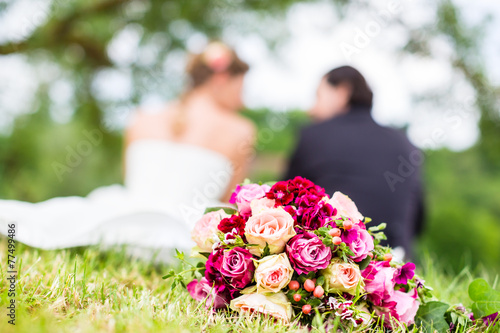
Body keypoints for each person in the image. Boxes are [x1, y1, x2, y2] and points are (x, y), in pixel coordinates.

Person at [0, 42, 255, 255]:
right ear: (221, 79)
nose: (242, 98)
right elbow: (227, 202)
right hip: (181, 236)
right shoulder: (241, 130)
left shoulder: (142, 118)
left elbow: (128, 178)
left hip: (121, 220)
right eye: (241, 87)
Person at [285, 66, 424, 258]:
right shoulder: (406, 144)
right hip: (393, 265)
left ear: (342, 91)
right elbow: (418, 220)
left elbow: (285, 204)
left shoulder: (313, 135)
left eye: (318, 96)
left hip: (330, 263)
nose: (311, 109)